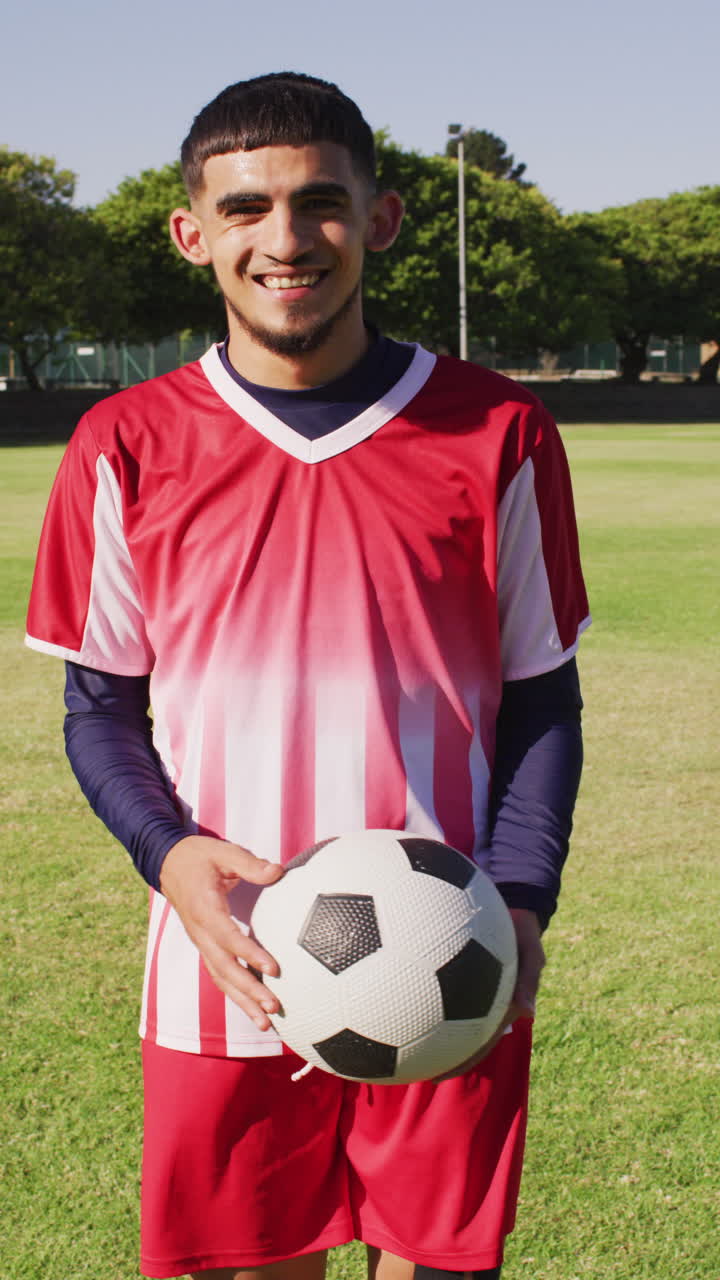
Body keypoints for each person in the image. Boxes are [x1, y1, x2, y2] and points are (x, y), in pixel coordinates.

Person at [26, 72, 589, 1280]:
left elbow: (543, 695)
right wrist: (171, 857)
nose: (285, 240)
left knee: (440, 1265)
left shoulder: (500, 431)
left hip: (452, 942)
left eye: (320, 203)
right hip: (223, 960)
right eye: (244, 209)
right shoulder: (122, 443)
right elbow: (100, 707)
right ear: (194, 233)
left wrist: (523, 896)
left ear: (378, 219)